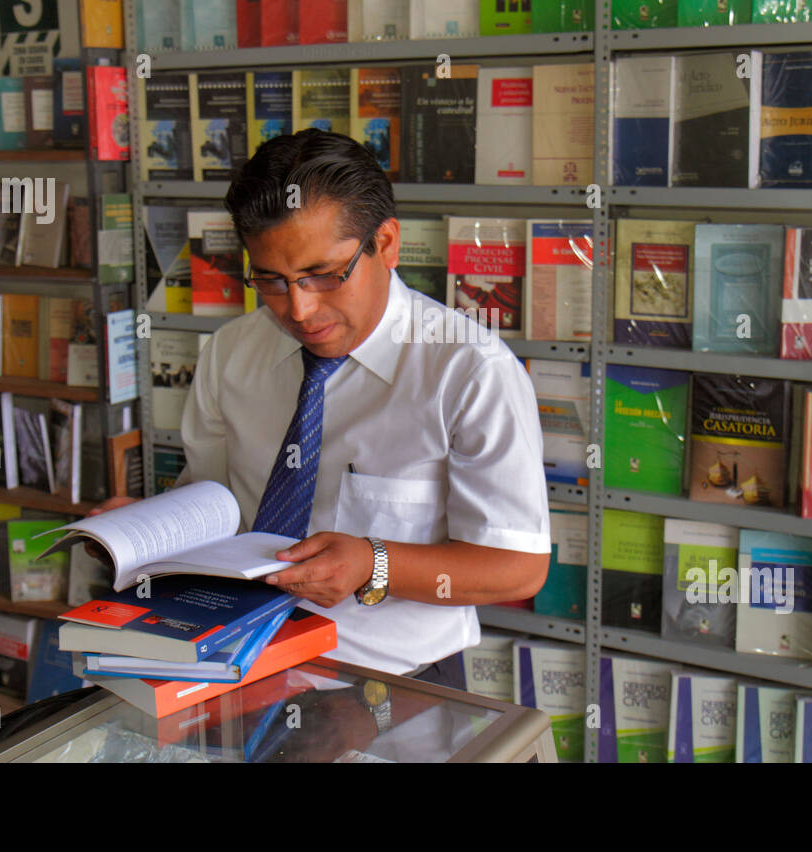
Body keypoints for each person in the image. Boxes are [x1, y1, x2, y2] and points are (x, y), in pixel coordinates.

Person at [91, 129, 550, 692]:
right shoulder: (232, 352)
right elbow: (215, 506)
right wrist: (142, 530)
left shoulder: (470, 370)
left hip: (391, 683)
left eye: (324, 275)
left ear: (386, 243)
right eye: (272, 281)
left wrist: (372, 564)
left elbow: (519, 567)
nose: (301, 310)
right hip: (234, 660)